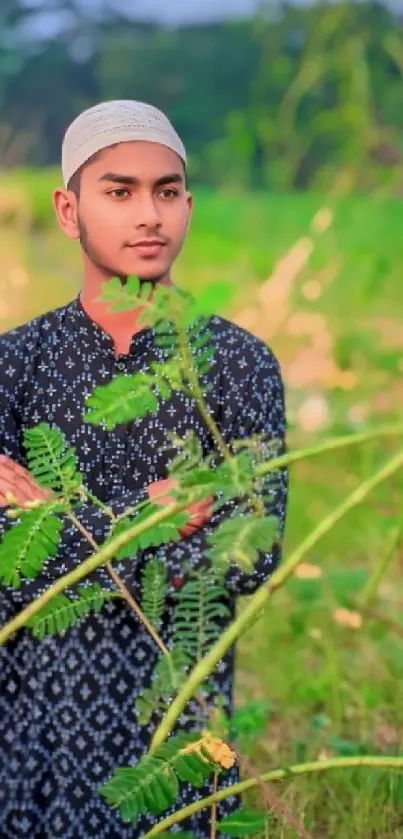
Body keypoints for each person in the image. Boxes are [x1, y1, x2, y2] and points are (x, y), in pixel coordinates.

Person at [0, 100, 288, 839]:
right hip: (32, 728)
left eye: (166, 191)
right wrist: (147, 514)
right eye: (119, 191)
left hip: (176, 723)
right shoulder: (14, 366)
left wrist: (52, 520)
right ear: (68, 210)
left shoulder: (238, 367)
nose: (149, 214)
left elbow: (248, 555)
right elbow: (7, 569)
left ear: (187, 206)